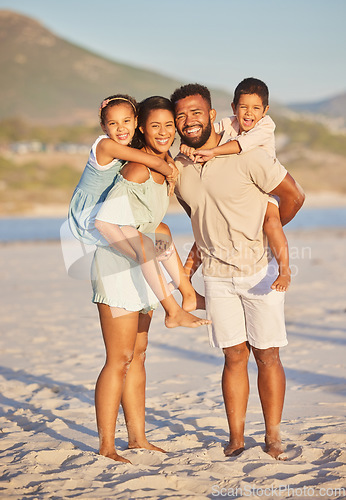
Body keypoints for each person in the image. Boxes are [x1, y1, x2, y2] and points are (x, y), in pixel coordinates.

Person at [170, 83, 305, 459]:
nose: (188, 121)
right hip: (216, 277)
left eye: (196, 112)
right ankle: (236, 437)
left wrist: (268, 228)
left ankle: (274, 437)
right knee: (233, 357)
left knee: (268, 356)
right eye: (181, 115)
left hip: (259, 272)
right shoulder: (180, 168)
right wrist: (191, 267)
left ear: (213, 115)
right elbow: (202, 220)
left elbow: (294, 196)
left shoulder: (251, 154)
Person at [90, 96, 211, 462]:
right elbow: (103, 221)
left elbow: (154, 226)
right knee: (119, 357)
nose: (163, 132)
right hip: (116, 269)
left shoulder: (165, 165)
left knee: (138, 355)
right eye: (155, 126)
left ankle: (138, 438)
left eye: (168, 126)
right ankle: (107, 445)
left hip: (144, 270)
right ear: (142, 127)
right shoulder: (137, 170)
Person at [68, 93, 204, 312]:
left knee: (163, 230)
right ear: (104, 126)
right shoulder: (105, 145)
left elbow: (160, 153)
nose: (121, 128)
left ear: (135, 123)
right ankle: (159, 277)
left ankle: (187, 292)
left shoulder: (126, 144)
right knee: (147, 248)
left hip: (107, 208)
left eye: (126, 122)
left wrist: (170, 160)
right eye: (113, 123)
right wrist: (170, 170)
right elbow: (151, 159)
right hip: (89, 214)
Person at [180, 78, 290, 292]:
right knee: (211, 224)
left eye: (256, 108)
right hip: (240, 188)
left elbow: (242, 144)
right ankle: (187, 275)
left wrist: (213, 152)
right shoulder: (229, 123)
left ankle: (284, 271)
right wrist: (187, 145)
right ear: (234, 107)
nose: (249, 113)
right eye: (243, 107)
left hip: (264, 189)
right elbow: (207, 134)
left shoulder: (266, 126)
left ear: (265, 110)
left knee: (272, 223)